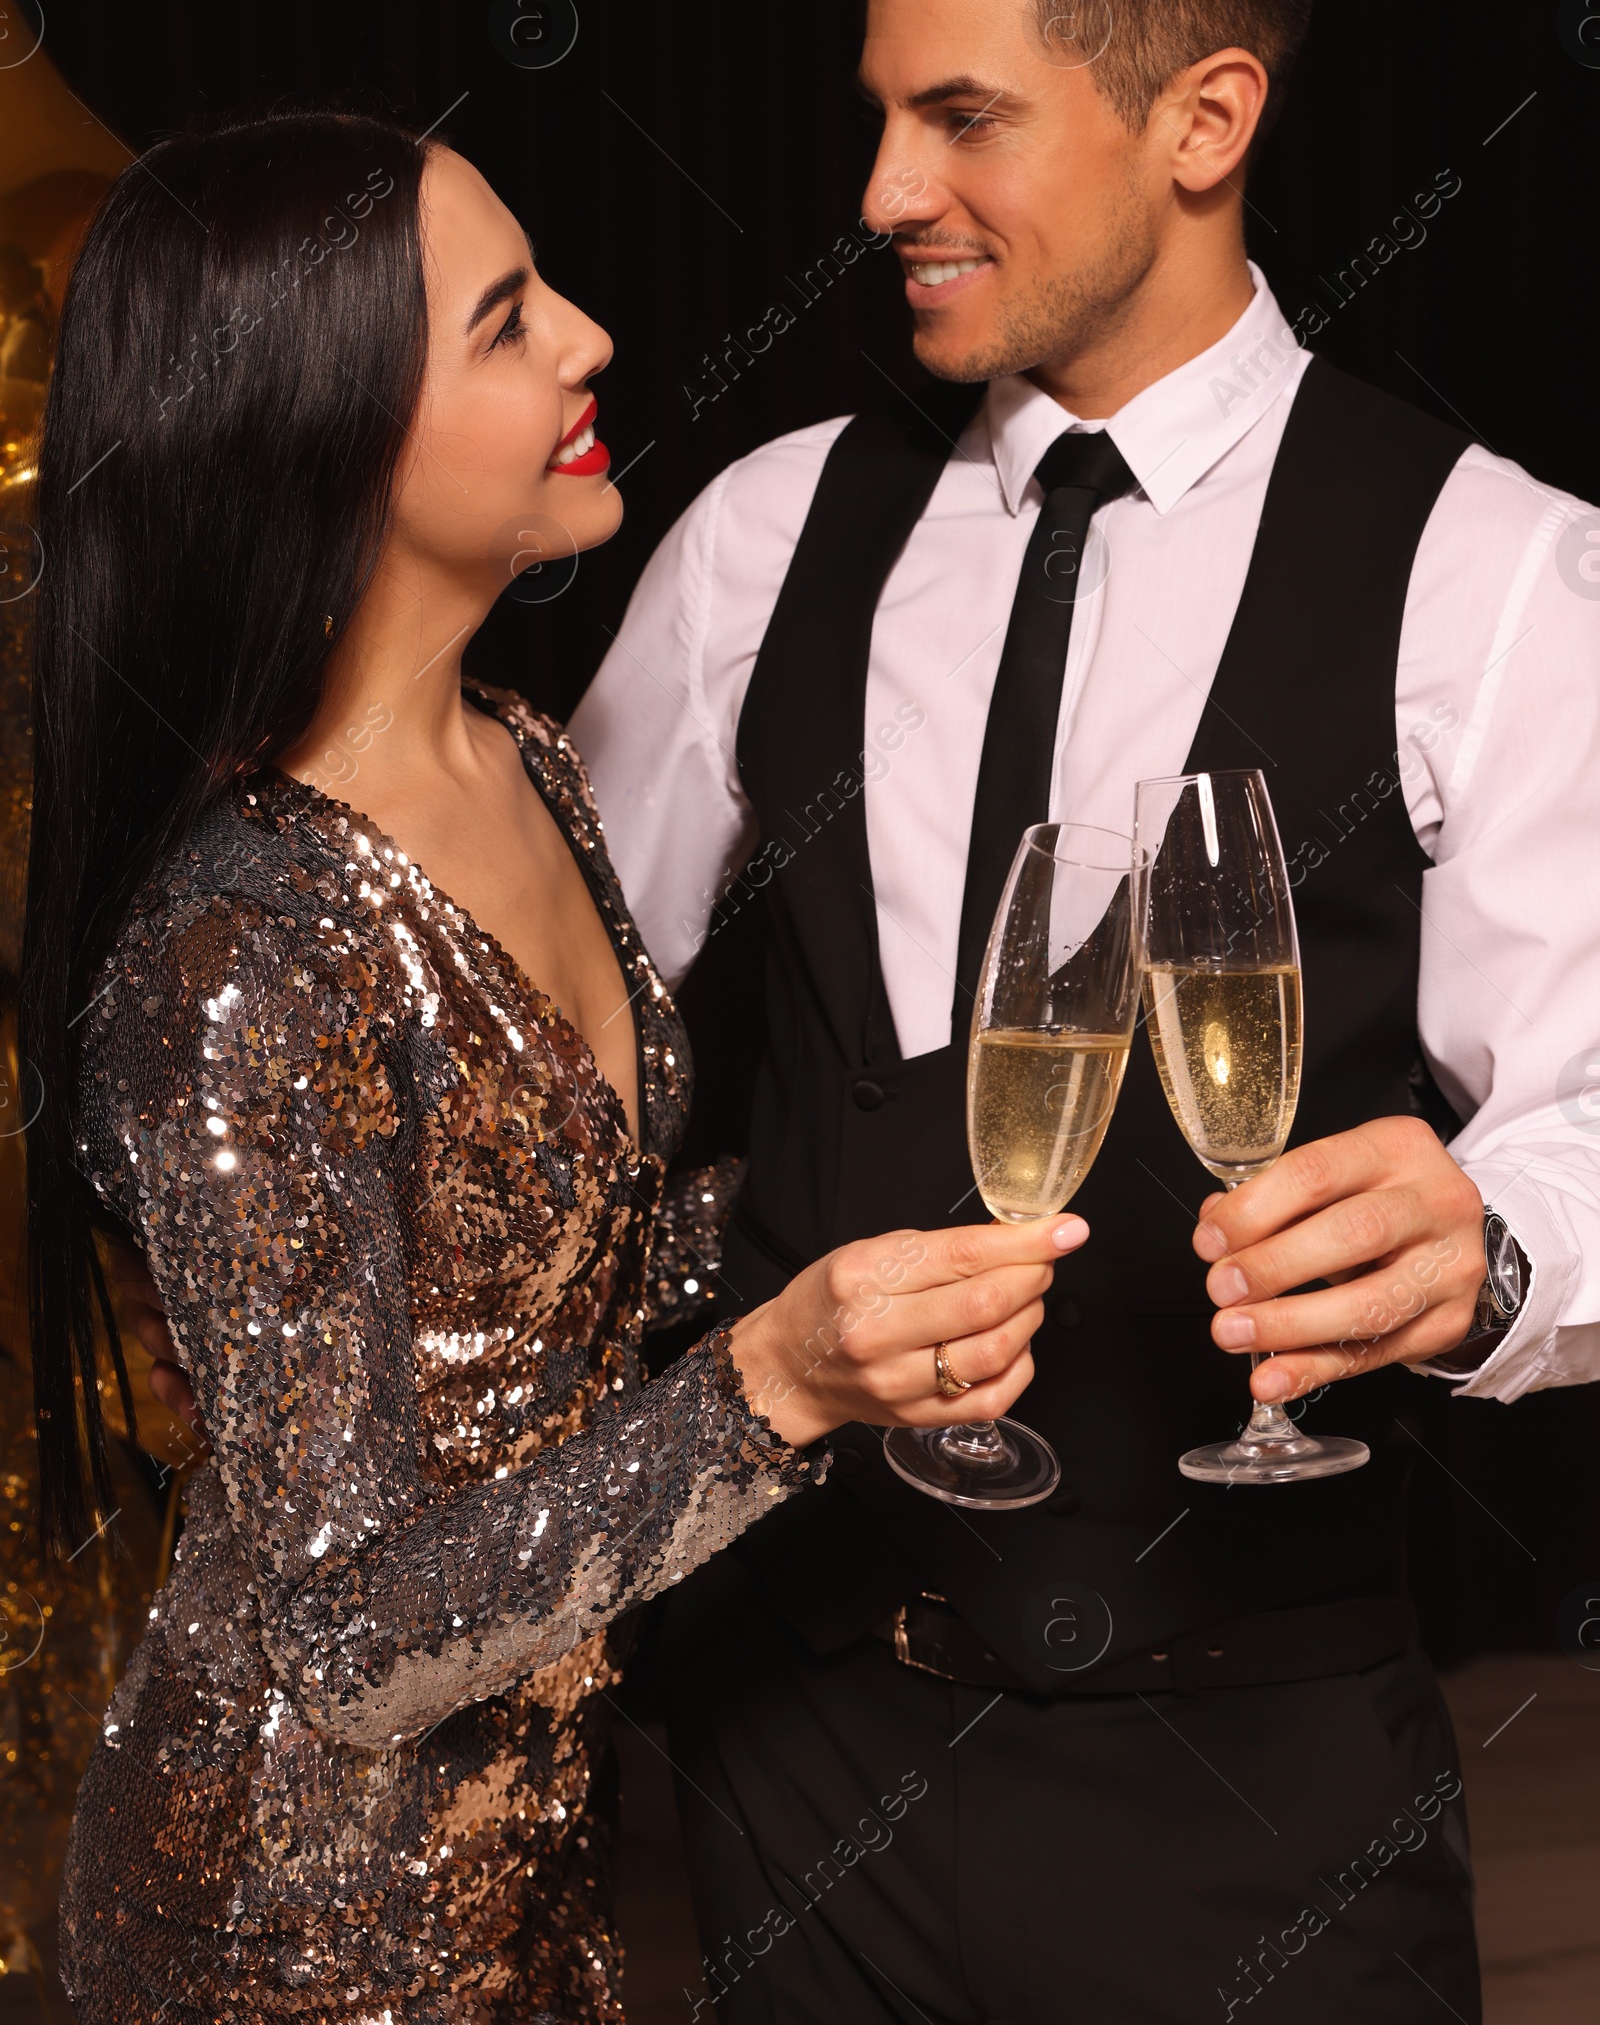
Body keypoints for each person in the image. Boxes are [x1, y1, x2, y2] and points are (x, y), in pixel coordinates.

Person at [563, 0, 1600, 2021]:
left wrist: (1493, 1243)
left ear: (1200, 118)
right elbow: (554, 1064)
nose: (880, 195)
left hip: (1252, 1787)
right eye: (875, 118)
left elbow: (1589, 1107)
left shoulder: (1491, 568)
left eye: (960, 121)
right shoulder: (762, 536)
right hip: (788, 1750)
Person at [24, 110, 1078, 2023]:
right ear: (323, 422)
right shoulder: (240, 950)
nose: (590, 339)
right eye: (505, 323)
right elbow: (346, 1637)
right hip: (289, 1925)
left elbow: (543, 1278)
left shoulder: (521, 750)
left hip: (536, 1845)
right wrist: (778, 1378)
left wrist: (856, 1185)